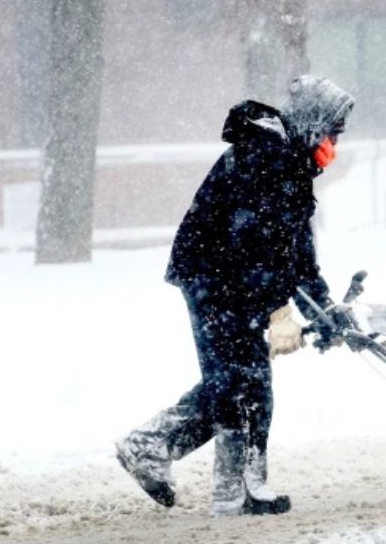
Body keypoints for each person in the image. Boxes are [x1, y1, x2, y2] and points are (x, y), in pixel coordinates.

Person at [116, 75, 355, 516]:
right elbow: (252, 247)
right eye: (332, 131)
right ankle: (233, 490)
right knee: (242, 385)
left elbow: (297, 258)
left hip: (230, 280)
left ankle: (154, 449)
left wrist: (326, 309)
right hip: (214, 280)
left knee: (240, 383)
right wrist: (279, 310)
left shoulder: (292, 165)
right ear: (312, 122)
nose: (333, 143)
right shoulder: (267, 159)